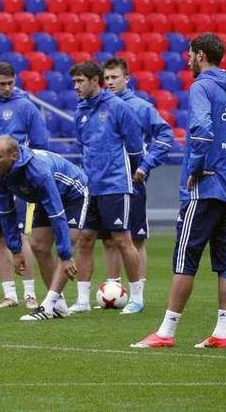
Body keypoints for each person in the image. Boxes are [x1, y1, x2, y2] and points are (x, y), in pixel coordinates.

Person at [132, 32, 226, 348]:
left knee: (185, 256)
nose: (187, 60)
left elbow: (200, 130)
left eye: (189, 55)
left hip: (205, 186)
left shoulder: (202, 86)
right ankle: (223, 331)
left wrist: (197, 168)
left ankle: (167, 331)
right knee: (224, 262)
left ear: (200, 55)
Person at [0, 136, 93, 321]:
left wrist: (66, 255)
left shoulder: (38, 171)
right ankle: (59, 306)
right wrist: (15, 250)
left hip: (73, 194)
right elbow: (6, 214)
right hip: (44, 197)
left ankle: (47, 306)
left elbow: (57, 214)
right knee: (38, 246)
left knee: (66, 242)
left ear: (14, 156)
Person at [70, 61, 145, 315]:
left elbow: (135, 145)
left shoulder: (118, 107)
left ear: (95, 80)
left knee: (123, 240)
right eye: (74, 82)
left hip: (115, 184)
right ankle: (82, 299)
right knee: (85, 239)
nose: (76, 87)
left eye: (80, 81)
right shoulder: (79, 112)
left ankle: (136, 297)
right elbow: (83, 147)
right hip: (91, 187)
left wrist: (134, 172)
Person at [0, 62, 47, 309]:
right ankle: (10, 294)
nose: (5, 88)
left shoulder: (26, 106)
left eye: (9, 83)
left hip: (17, 180)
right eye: (0, 83)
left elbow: (40, 144)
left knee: (19, 234)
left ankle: (29, 293)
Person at [101, 58, 174, 296]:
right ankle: (112, 290)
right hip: (106, 183)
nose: (110, 82)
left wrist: (146, 165)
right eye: (107, 78)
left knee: (135, 239)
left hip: (133, 183)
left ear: (127, 79)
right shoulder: (100, 106)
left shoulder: (140, 107)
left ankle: (137, 294)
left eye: (115, 77)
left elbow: (164, 136)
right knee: (110, 239)